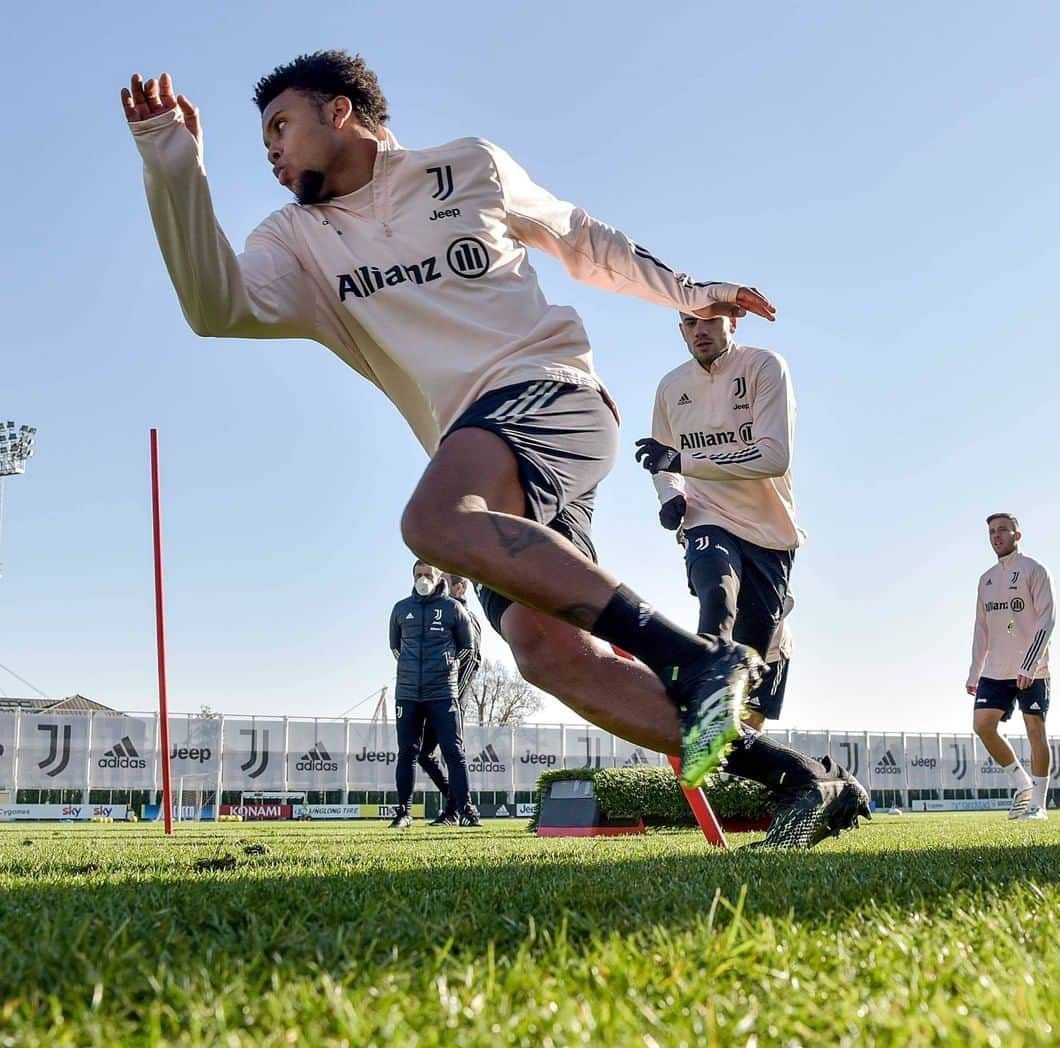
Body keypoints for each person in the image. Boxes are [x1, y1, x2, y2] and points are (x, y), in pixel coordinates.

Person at [120, 52, 865, 844]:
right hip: (476, 451)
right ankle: (802, 779)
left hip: (552, 394)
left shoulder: (466, 167)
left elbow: (580, 237)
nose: (268, 150)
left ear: (339, 111)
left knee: (432, 521)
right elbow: (213, 304)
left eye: (280, 126)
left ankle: (689, 659)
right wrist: (171, 161)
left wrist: (689, 291)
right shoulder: (295, 240)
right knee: (549, 653)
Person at [637, 311, 803, 732]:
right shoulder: (671, 387)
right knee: (717, 594)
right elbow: (662, 459)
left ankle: (731, 750)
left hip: (770, 532)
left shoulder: (765, 366)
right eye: (690, 323)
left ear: (733, 324)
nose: (700, 330)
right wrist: (671, 493)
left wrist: (683, 461)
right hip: (706, 517)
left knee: (750, 665)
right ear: (680, 331)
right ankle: (700, 694)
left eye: (710, 321)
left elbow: (773, 456)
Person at [966, 513, 1056, 821]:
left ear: (1017, 535)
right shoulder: (986, 579)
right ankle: (1021, 782)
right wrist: (974, 671)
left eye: (1003, 529)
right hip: (995, 670)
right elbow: (981, 628)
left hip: (1032, 669)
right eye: (991, 531)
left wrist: (1030, 663)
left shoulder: (1035, 570)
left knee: (1035, 729)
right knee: (982, 726)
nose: (996, 535)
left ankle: (1038, 804)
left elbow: (1047, 619)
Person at [389, 561, 479, 828]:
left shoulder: (453, 608)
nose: (423, 579)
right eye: (419, 575)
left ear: (438, 576)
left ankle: (466, 810)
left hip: (442, 693)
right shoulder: (400, 609)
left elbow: (467, 649)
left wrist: (444, 671)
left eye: (428, 574)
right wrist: (409, 673)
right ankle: (404, 813)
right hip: (407, 694)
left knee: (454, 751)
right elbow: (395, 649)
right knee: (407, 752)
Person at [416, 572, 483, 826]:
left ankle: (457, 811)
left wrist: (454, 695)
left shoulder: (464, 616)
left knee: (452, 752)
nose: (437, 586)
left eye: (443, 582)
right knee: (424, 754)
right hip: (433, 696)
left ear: (460, 588)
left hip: (452, 698)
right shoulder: (438, 616)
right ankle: (454, 804)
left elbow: (472, 659)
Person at [746, 594, 794, 728]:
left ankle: (751, 747)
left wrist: (762, 630)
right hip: (739, 654)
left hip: (771, 655)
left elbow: (789, 600)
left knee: (753, 716)